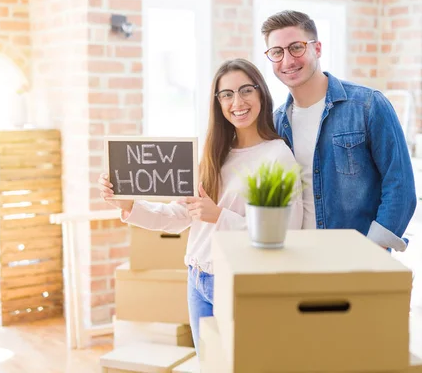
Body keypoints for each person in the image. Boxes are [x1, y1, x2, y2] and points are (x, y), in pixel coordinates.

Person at [97, 58, 303, 350]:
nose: (237, 102)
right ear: (217, 103)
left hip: (237, 282)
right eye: (227, 94)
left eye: (246, 90)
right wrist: (129, 204)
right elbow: (179, 215)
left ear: (261, 94)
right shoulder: (213, 154)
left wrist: (219, 215)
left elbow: (285, 234)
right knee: (208, 365)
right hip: (197, 278)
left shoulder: (278, 156)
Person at [260, 10, 416, 252]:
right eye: (277, 52)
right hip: (296, 258)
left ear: (317, 48)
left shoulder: (368, 105)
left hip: (357, 260)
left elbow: (400, 186)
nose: (287, 61)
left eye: (296, 48)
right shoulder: (276, 123)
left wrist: (370, 252)